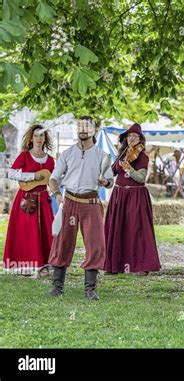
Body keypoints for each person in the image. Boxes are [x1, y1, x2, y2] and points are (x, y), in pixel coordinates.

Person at [48, 116, 114, 300]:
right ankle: (57, 286)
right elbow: (53, 179)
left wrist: (105, 181)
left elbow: (110, 181)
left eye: (87, 126)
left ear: (94, 130)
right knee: (62, 242)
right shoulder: (67, 153)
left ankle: (90, 289)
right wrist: (57, 195)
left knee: (95, 244)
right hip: (68, 202)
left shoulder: (102, 155)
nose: (83, 129)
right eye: (80, 126)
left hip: (91, 204)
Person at [104, 123, 161, 276]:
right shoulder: (122, 154)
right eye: (129, 136)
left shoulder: (143, 157)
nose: (131, 138)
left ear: (140, 139)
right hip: (119, 195)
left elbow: (141, 178)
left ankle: (141, 266)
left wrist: (128, 168)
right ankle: (114, 265)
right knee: (117, 229)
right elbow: (112, 173)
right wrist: (104, 175)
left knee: (137, 230)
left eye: (135, 136)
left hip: (136, 196)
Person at [3, 125, 55, 275]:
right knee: (25, 231)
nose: (39, 138)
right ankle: (26, 265)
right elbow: (11, 173)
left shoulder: (50, 160)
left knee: (46, 231)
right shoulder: (24, 156)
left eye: (42, 136)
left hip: (44, 198)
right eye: (36, 135)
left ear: (45, 138)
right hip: (26, 199)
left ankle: (44, 265)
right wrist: (32, 177)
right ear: (31, 138)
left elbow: (53, 180)